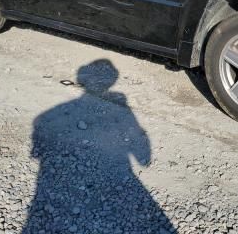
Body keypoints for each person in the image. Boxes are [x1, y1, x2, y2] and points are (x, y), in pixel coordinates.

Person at [23, 59, 175, 233]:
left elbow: (36, 153)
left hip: (47, 188)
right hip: (123, 179)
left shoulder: (44, 117)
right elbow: (144, 157)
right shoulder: (119, 102)